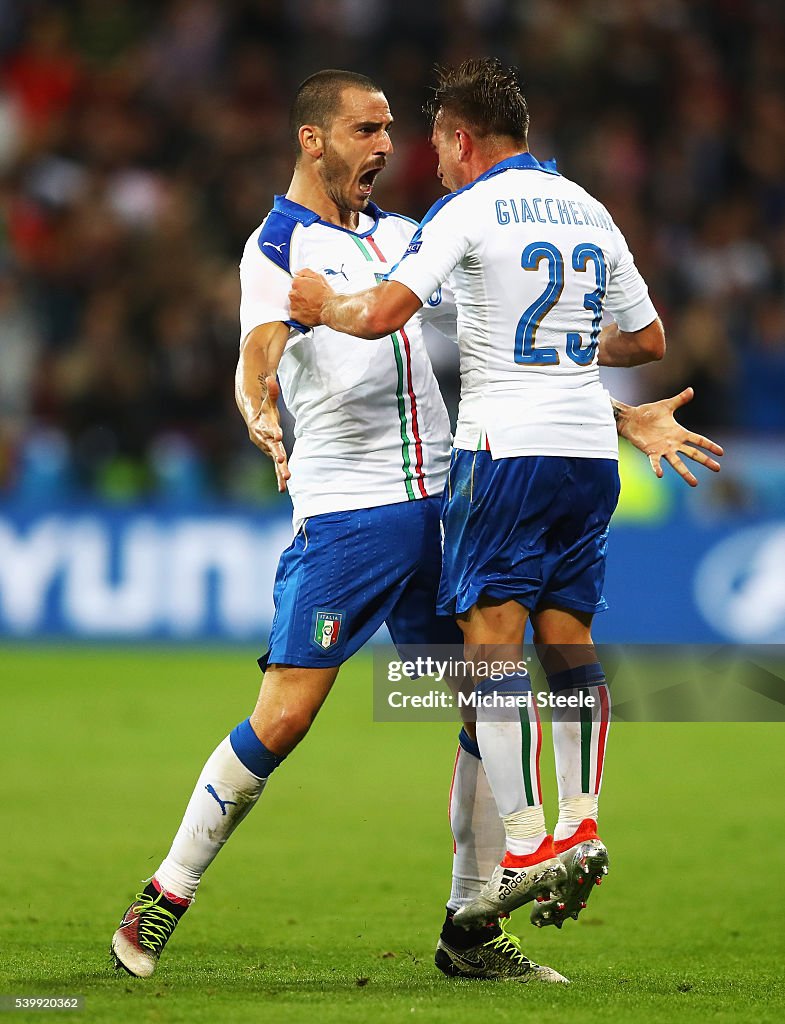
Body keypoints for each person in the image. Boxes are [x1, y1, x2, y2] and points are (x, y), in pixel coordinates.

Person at [111, 68, 723, 985]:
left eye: (392, 129)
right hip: (350, 520)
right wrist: (255, 403)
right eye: (366, 130)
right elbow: (261, 344)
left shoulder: (409, 236)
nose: (386, 147)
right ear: (313, 139)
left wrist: (617, 413)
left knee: (488, 698)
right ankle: (167, 890)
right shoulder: (273, 246)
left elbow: (513, 343)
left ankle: (469, 926)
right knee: (285, 718)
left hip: (447, 505)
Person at [289, 59, 714, 938]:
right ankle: (579, 821)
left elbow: (378, 317)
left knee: (491, 645)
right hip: (590, 455)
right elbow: (645, 338)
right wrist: (557, 345)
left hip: (503, 452)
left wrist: (321, 303)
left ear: (463, 140)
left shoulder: (468, 208)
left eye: (438, 147)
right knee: (570, 638)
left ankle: (523, 845)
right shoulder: (589, 206)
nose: (432, 165)